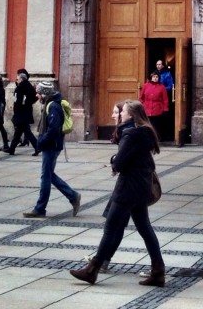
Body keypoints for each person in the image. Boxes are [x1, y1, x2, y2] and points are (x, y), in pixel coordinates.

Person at [69, 100, 165, 287]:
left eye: (124, 112)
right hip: (141, 187)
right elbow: (135, 157)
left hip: (128, 188)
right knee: (145, 228)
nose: (121, 115)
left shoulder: (131, 134)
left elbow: (120, 163)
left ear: (132, 115)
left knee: (111, 227)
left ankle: (92, 270)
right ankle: (158, 270)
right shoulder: (145, 132)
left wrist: (114, 162)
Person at [23, 81, 81, 218]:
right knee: (49, 175)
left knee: (46, 177)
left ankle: (40, 209)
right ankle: (72, 196)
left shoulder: (53, 106)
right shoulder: (51, 103)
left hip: (51, 145)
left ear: (44, 93)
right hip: (52, 145)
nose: (37, 95)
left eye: (38, 92)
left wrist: (41, 141)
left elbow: (53, 130)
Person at [8, 68, 39, 154]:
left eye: (17, 78)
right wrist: (28, 103)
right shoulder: (28, 85)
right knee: (19, 131)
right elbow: (34, 97)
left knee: (26, 131)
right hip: (26, 111)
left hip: (20, 112)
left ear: (21, 79)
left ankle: (37, 147)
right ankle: (11, 149)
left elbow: (18, 101)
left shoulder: (20, 88)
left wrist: (16, 108)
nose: (16, 79)